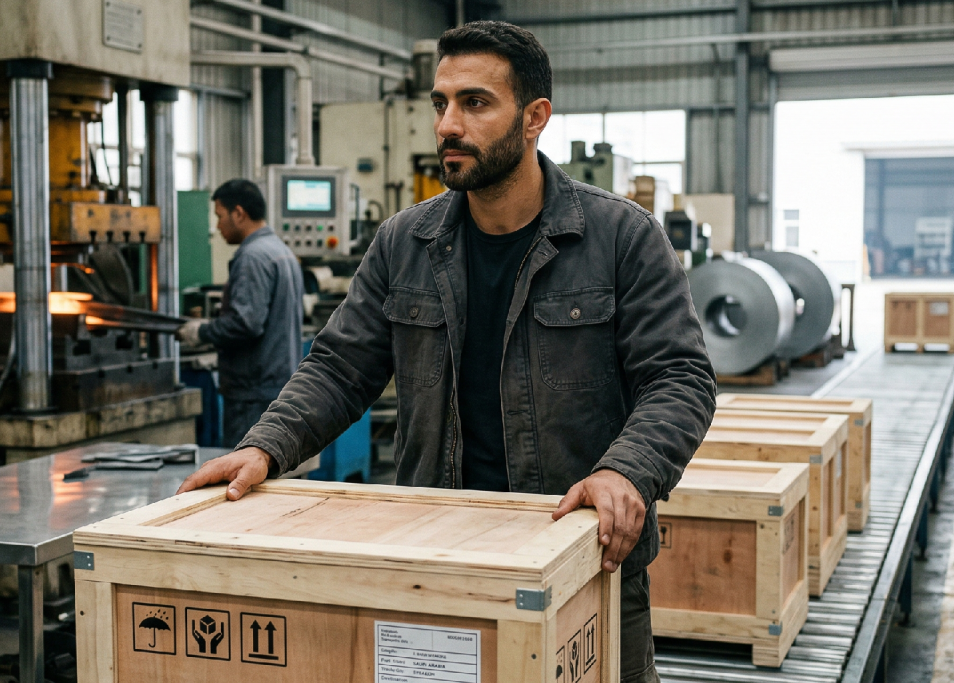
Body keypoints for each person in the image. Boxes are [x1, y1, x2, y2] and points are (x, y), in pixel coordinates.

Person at [178, 22, 715, 682]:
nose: (448, 125)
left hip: (582, 559)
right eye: (441, 103)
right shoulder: (405, 243)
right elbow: (342, 366)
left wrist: (625, 472)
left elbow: (679, 376)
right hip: (440, 564)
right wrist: (265, 446)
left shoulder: (618, 238)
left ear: (534, 117)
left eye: (475, 103)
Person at [176, 179, 304, 448]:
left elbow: (246, 324)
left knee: (243, 478)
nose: (217, 226)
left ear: (238, 213)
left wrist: (201, 332)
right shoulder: (280, 251)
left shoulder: (252, 257)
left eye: (220, 216)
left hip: (252, 394)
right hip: (277, 386)